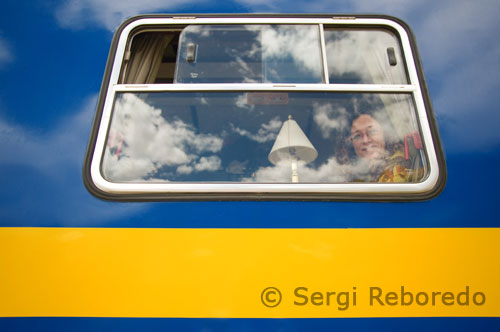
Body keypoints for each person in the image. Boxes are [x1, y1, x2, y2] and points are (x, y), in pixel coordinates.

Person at [345, 113, 423, 183]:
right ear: (351, 143)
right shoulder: (346, 175)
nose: (365, 140)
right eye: (357, 135)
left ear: (385, 135)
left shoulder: (402, 166)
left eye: (372, 131)